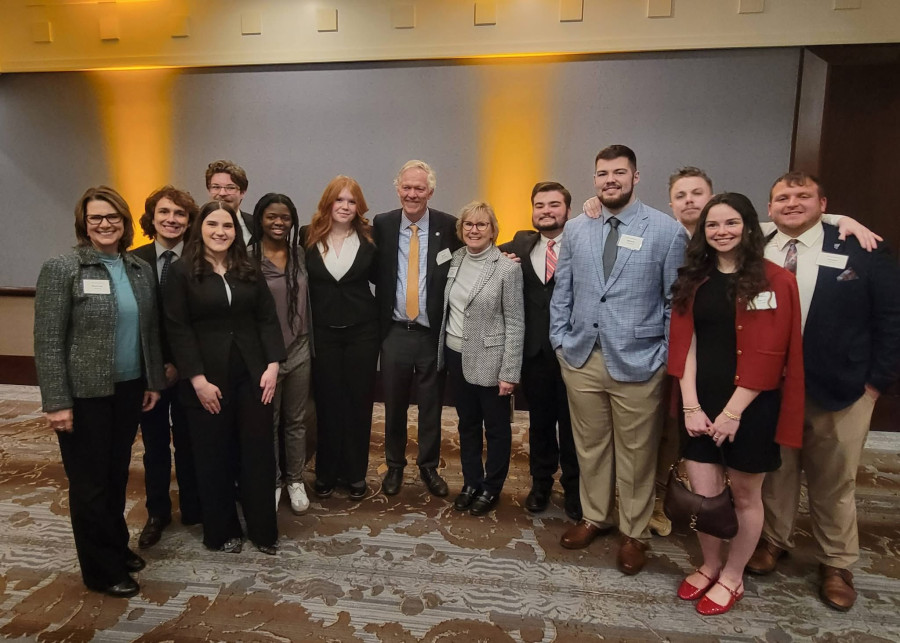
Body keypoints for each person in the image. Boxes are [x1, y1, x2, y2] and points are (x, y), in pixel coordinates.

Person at [747, 172, 900, 611]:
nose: (792, 204)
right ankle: (774, 541)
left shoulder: (861, 247)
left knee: (834, 479)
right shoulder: (754, 246)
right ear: (770, 206)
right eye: (782, 197)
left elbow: (891, 318)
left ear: (823, 202)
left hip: (840, 387)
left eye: (803, 197)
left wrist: (876, 383)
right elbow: (715, 222)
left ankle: (836, 562)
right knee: (776, 472)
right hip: (771, 386)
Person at [549, 145, 688, 575]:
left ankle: (634, 532)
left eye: (619, 173)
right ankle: (595, 516)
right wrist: (560, 340)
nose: (610, 180)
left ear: (636, 176)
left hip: (639, 361)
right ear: (594, 179)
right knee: (590, 447)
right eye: (602, 173)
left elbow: (674, 304)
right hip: (582, 357)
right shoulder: (577, 228)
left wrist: (663, 356)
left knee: (636, 453)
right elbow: (563, 289)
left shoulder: (666, 231)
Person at [668, 192, 804, 615]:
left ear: (748, 227)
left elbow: (772, 353)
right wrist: (690, 404)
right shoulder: (694, 278)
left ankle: (733, 575)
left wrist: (732, 412)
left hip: (752, 406)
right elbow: (684, 344)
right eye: (712, 225)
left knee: (746, 497)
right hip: (701, 401)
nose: (721, 232)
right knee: (705, 496)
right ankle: (710, 564)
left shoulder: (776, 280)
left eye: (730, 223)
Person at [34, 186, 165, 598]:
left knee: (116, 475)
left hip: (128, 389)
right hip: (84, 395)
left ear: (125, 222)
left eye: (113, 217)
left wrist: (152, 381)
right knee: (89, 484)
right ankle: (100, 570)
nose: (106, 224)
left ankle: (115, 546)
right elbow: (49, 340)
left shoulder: (138, 270)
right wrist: (57, 402)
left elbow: (149, 332)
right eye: (96, 218)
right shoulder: (64, 268)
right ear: (84, 224)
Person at [164, 201, 285, 555]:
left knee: (258, 452)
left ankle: (263, 529)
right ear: (200, 228)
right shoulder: (182, 271)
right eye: (213, 224)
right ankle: (220, 531)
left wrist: (273, 365)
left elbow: (267, 317)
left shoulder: (248, 267)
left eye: (228, 226)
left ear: (237, 231)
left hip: (253, 373)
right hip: (206, 378)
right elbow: (178, 328)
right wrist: (197, 380)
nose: (220, 231)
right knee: (213, 454)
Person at [372, 160, 462, 498]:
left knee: (431, 405)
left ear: (430, 191)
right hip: (395, 331)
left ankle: (428, 466)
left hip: (431, 333)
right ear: (398, 189)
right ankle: (394, 466)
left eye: (419, 188)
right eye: (407, 187)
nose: (412, 194)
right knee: (392, 404)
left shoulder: (448, 226)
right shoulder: (381, 224)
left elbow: (478, 247)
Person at [498, 182, 581, 521]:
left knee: (575, 427)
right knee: (540, 423)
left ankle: (576, 490)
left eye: (554, 205)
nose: (546, 211)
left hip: (575, 353)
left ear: (568, 211)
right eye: (540, 205)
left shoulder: (582, 243)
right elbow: (482, 250)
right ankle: (541, 483)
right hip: (534, 354)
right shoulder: (521, 243)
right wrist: (500, 259)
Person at [438, 201, 524, 516]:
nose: (474, 230)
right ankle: (471, 482)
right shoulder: (454, 259)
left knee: (497, 428)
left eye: (481, 225)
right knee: (468, 424)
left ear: (492, 230)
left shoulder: (507, 267)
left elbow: (516, 323)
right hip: (455, 355)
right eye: (469, 225)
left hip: (491, 359)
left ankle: (492, 488)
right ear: (461, 230)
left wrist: (510, 372)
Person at [131, 186, 203, 549]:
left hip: (192, 371)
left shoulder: (200, 259)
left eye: (179, 214)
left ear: (189, 221)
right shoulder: (134, 261)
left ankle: (192, 505)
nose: (172, 220)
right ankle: (157, 511)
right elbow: (136, 323)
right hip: (150, 374)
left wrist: (181, 364)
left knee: (190, 441)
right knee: (156, 445)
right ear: (152, 217)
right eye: (164, 213)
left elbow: (201, 321)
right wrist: (159, 367)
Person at [302, 176, 379, 501]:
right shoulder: (307, 237)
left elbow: (389, 278)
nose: (345, 207)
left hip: (362, 332)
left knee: (358, 403)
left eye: (351, 201)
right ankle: (326, 472)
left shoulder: (371, 239)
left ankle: (355, 473)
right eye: (340, 200)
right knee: (328, 403)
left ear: (358, 206)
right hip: (322, 334)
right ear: (328, 204)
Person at [250, 193, 313, 515]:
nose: (278, 223)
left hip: (300, 348)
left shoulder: (299, 254)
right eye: (271, 217)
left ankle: (295, 479)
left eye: (285, 218)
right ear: (260, 218)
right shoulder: (247, 258)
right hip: (266, 356)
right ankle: (273, 480)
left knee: (296, 420)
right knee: (269, 421)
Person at [206, 160, 255, 244]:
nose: (222, 193)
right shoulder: (194, 223)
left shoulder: (255, 225)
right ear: (209, 190)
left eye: (230, 188)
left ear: (242, 192)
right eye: (216, 187)